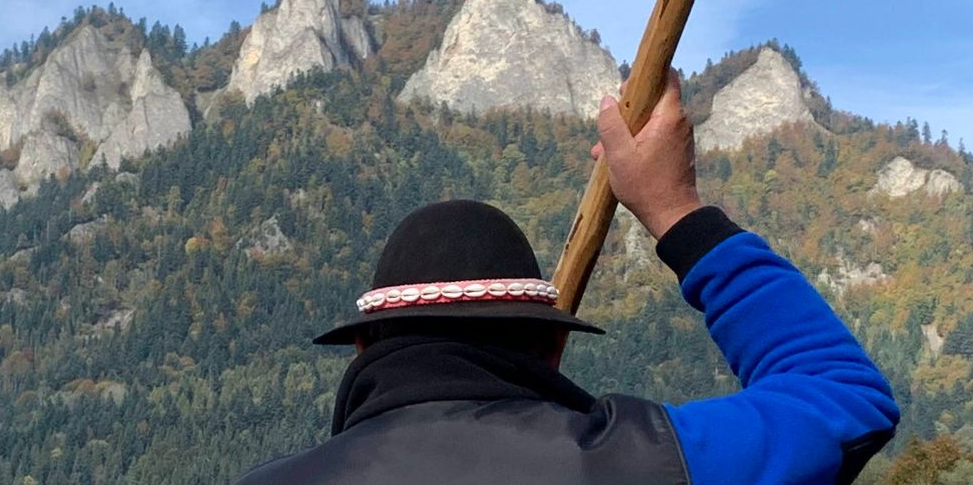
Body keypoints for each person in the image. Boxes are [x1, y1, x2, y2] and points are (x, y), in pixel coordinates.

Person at [233, 74, 899, 484]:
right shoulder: (644, 463)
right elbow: (842, 396)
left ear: (362, 349)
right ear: (552, 346)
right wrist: (675, 210)